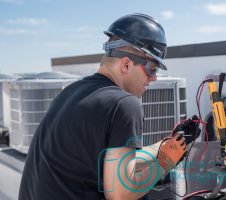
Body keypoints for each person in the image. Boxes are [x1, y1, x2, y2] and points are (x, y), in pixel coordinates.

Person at [18, 13, 188, 200]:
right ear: (126, 64)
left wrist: (165, 146)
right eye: (152, 68)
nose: (154, 77)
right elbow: (120, 194)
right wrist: (164, 163)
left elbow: (112, 162)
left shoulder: (69, 93)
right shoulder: (124, 104)